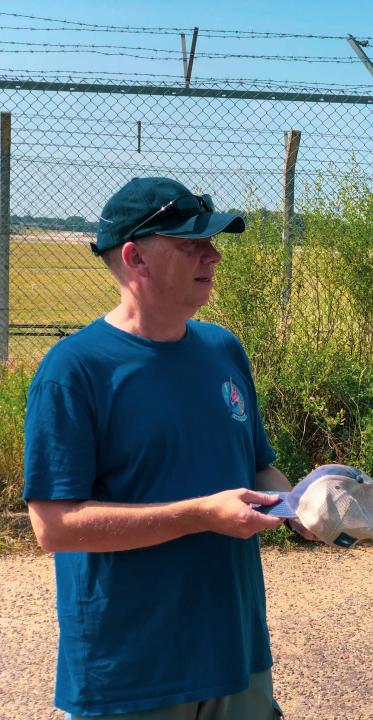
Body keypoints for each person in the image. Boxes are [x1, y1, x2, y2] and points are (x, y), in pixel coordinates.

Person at [23, 177, 319, 719]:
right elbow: (53, 526)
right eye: (191, 245)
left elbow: (257, 467)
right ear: (136, 258)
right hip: (133, 674)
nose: (214, 256)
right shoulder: (74, 372)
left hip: (236, 656)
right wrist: (202, 515)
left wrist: (308, 502)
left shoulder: (223, 349)